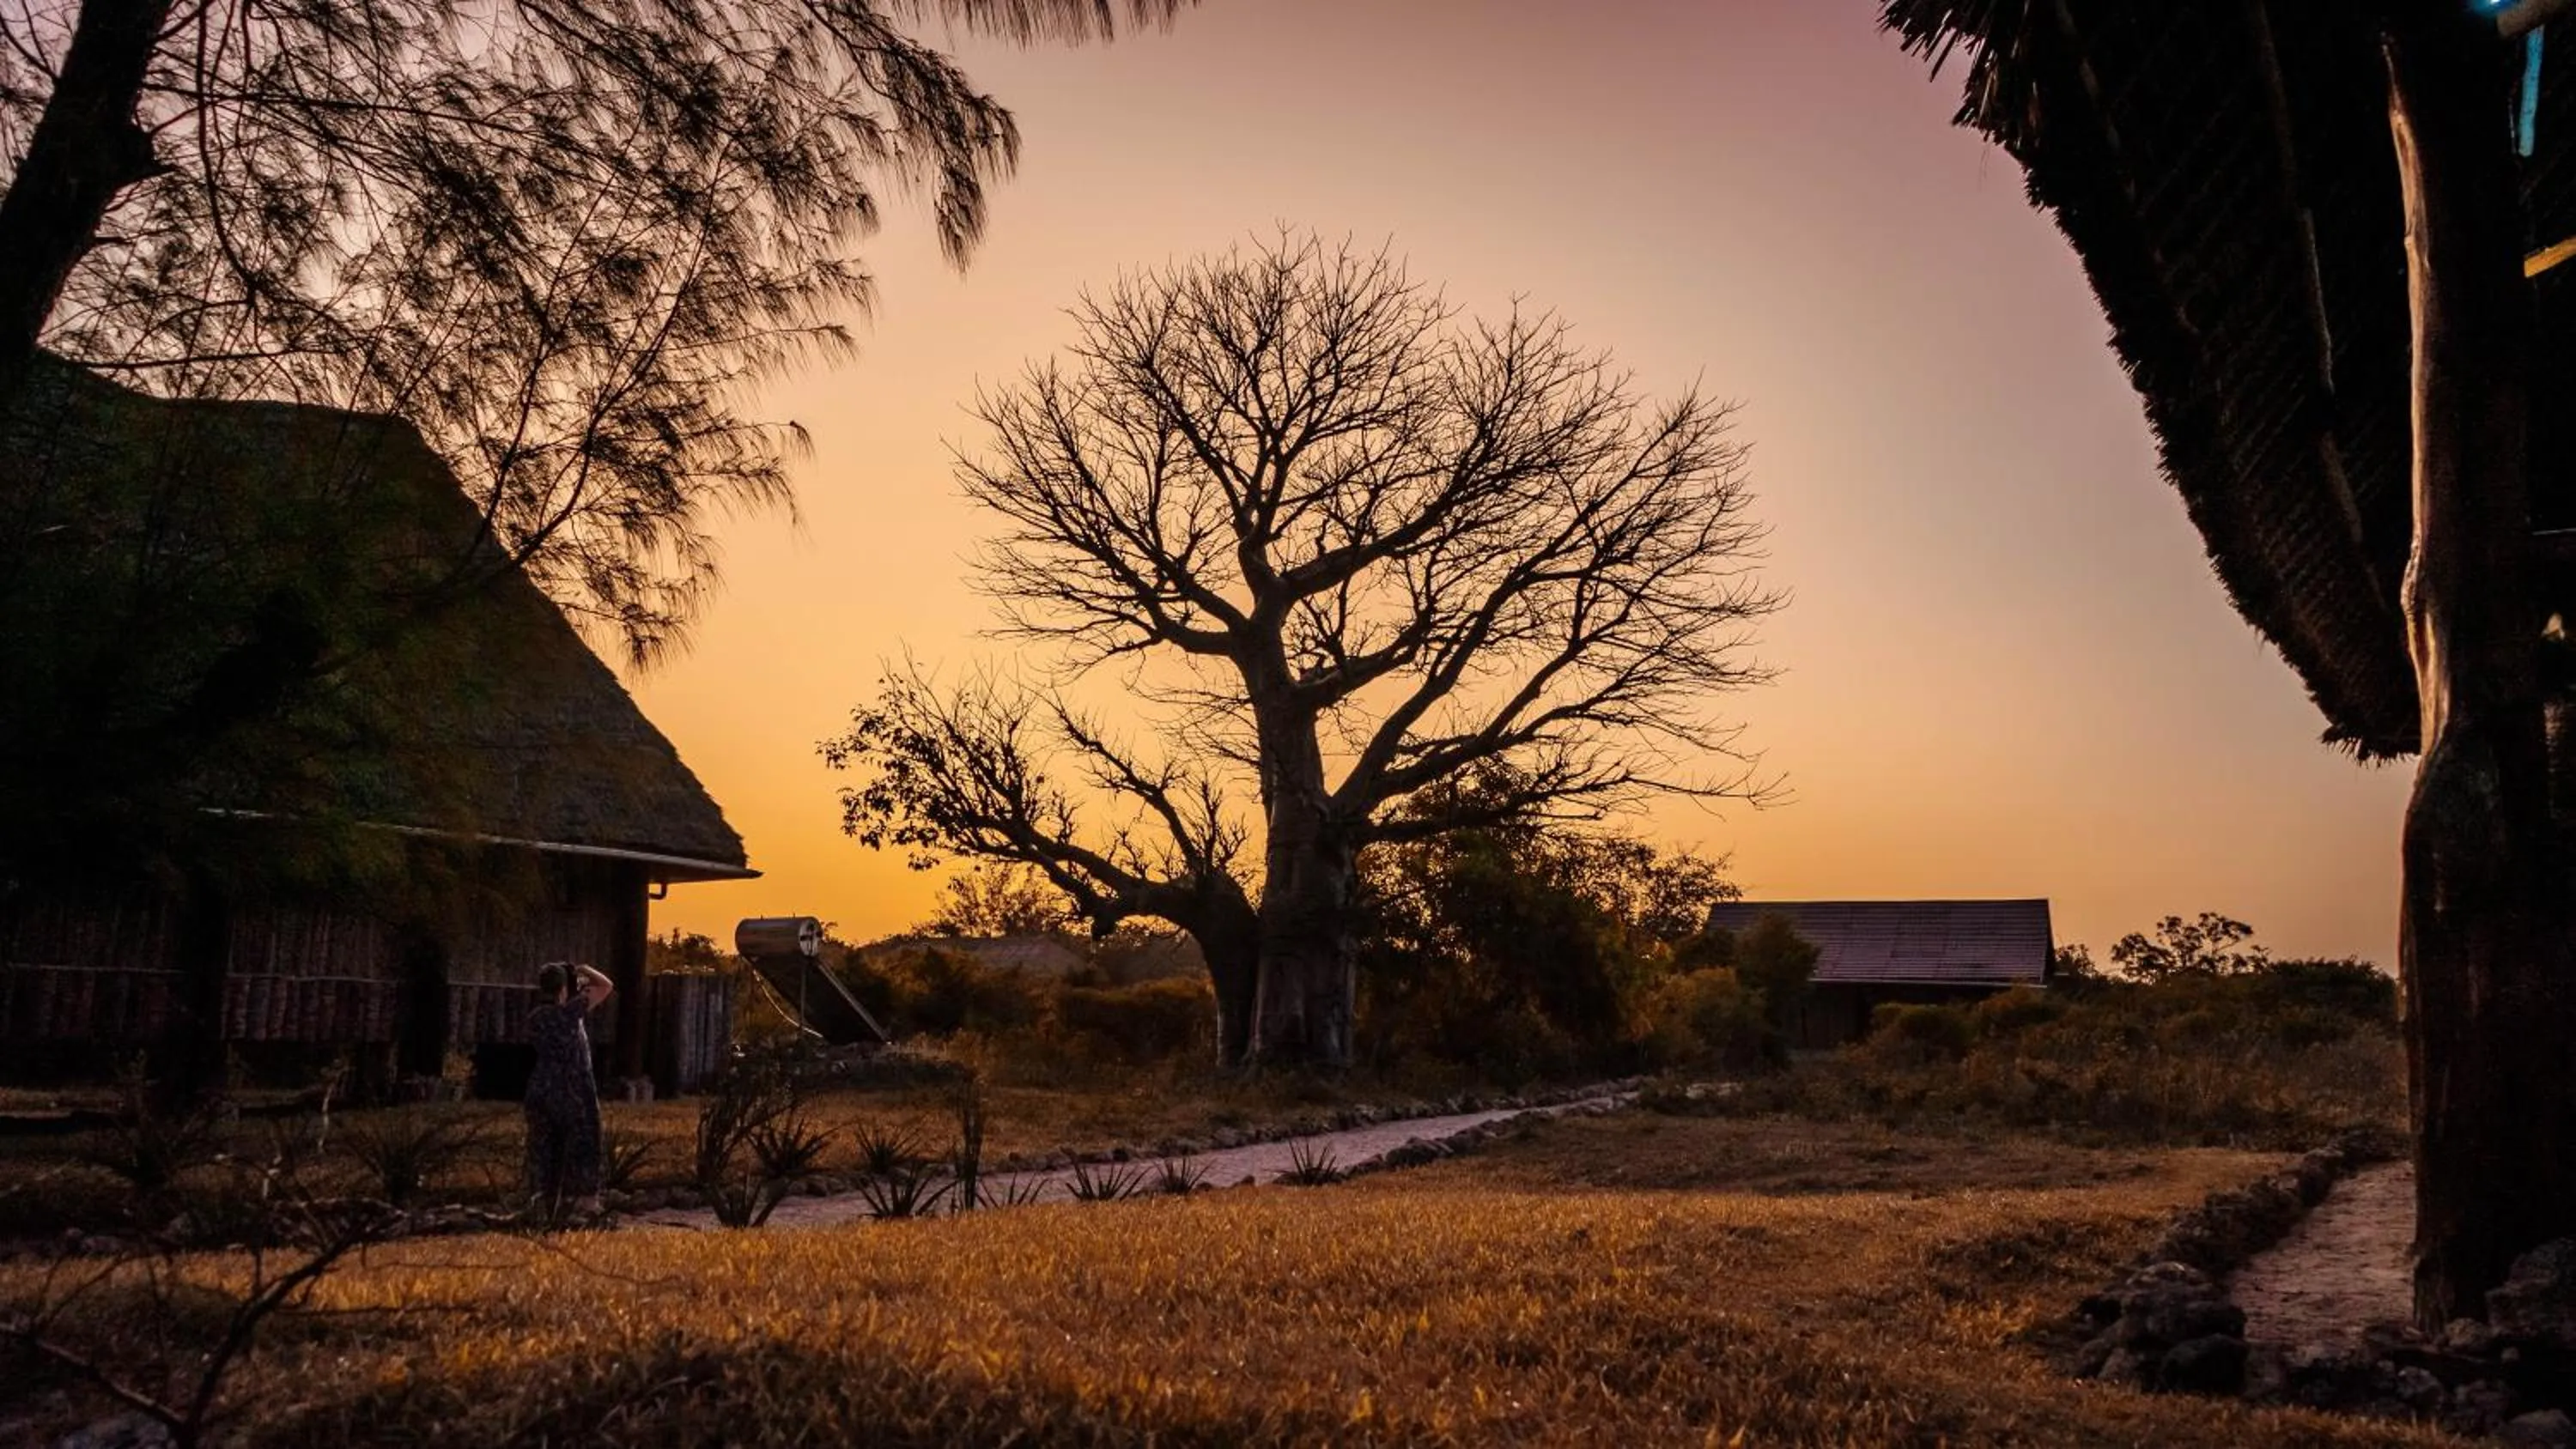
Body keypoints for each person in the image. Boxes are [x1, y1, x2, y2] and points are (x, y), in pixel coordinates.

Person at [525, 960, 611, 1216]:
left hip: (542, 1087)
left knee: (543, 1149)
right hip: (573, 1088)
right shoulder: (570, 1013)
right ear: (563, 988)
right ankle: (579, 1203)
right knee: (582, 1144)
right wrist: (584, 969)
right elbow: (605, 986)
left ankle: (541, 1201)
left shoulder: (536, 1017)